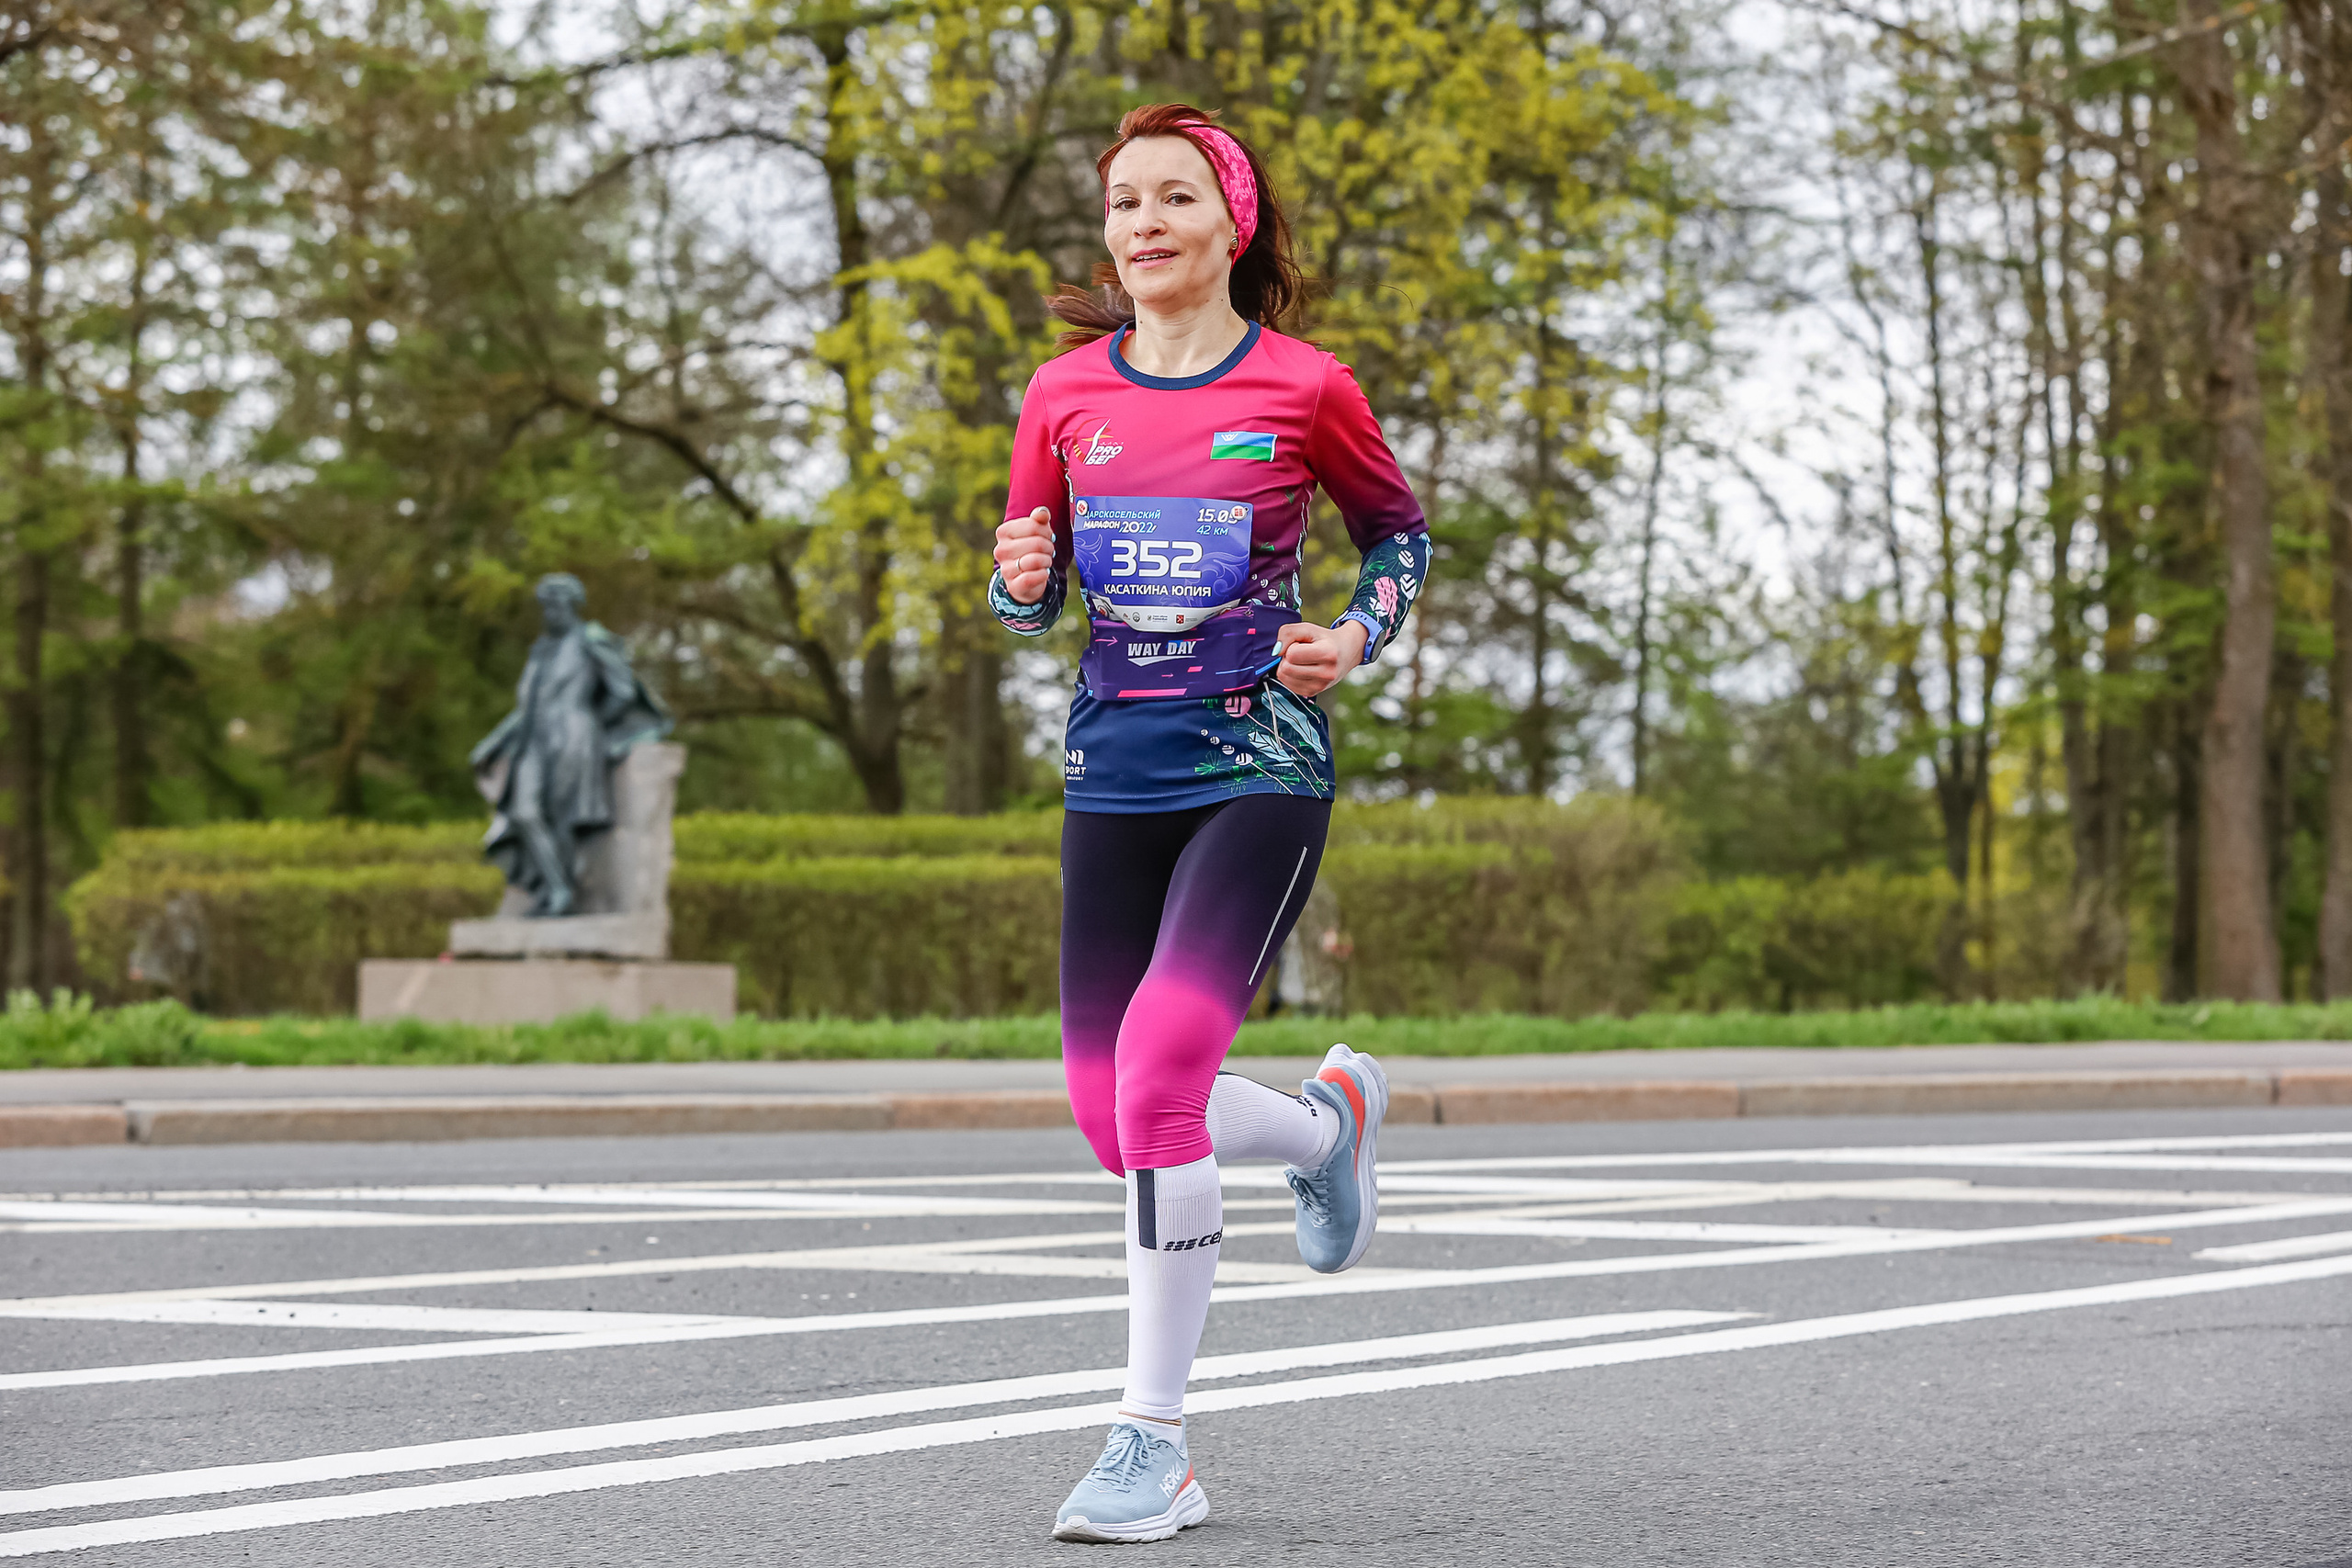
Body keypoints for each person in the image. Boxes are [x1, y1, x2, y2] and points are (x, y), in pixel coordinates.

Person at [989, 103, 1430, 1544]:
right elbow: (1031, 597)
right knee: (1116, 1128)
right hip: (1111, 771)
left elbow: (1401, 535)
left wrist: (1356, 637)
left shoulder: (1308, 386)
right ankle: (1323, 1129)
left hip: (1258, 765)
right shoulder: (1062, 394)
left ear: (1232, 222)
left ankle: (1151, 1443)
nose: (1145, 224)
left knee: (1164, 1083)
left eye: (1176, 197)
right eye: (1123, 204)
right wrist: (1015, 576)